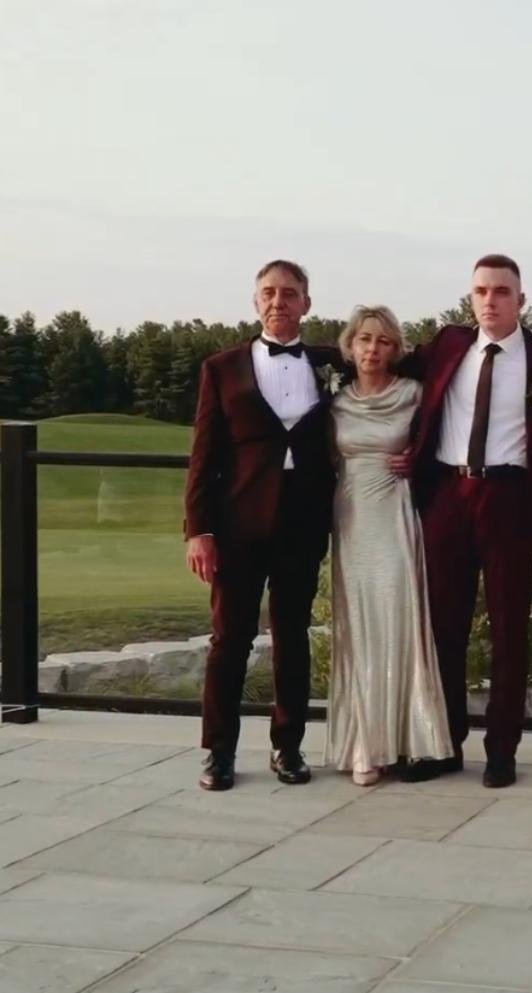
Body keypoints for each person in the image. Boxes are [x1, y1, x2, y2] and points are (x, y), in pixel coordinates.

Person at [394, 255, 532, 789]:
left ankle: (502, 750)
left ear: (521, 299)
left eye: (501, 291)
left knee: (509, 629)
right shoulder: (448, 345)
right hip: (447, 494)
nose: (490, 300)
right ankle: (444, 744)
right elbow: (381, 361)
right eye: (480, 291)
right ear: (470, 297)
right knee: (444, 626)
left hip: (509, 498)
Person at [182, 260, 337, 791]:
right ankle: (219, 752)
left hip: (305, 522)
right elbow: (203, 456)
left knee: (293, 637)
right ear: (256, 303)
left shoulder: (332, 363)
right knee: (230, 640)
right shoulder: (222, 368)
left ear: (306, 304)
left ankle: (287, 746)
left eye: (290, 294)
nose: (279, 302)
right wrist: (197, 529)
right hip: (238, 524)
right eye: (269, 293)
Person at [324, 306, 452, 786]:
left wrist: (415, 460)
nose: (372, 350)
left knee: (399, 619)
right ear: (350, 346)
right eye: (364, 340)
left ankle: (408, 739)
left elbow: (440, 441)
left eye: (382, 341)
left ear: (396, 349)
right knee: (356, 626)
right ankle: (364, 743)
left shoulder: (413, 395)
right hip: (352, 516)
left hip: (397, 515)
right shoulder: (334, 403)